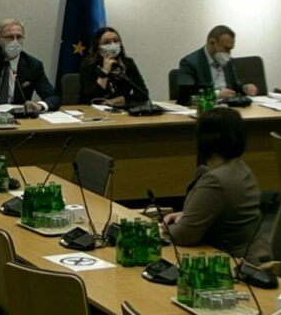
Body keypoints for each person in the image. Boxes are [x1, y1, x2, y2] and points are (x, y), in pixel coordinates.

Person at [162, 107, 262, 258]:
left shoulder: (215, 180)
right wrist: (189, 216)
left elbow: (183, 236)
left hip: (229, 260)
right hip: (248, 252)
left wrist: (164, 228)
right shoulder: (241, 168)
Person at [176, 25, 258, 105]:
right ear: (212, 43)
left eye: (230, 49)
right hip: (207, 110)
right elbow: (185, 98)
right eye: (226, 49)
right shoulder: (189, 63)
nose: (229, 53)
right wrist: (216, 95)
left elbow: (234, 87)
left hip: (229, 108)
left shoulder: (227, 61)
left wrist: (244, 88)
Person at [78, 27, 149, 106]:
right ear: (97, 47)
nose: (113, 45)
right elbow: (90, 98)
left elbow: (143, 94)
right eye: (106, 42)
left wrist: (124, 99)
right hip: (92, 110)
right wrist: (104, 72)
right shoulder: (88, 64)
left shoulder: (127, 63)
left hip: (119, 110)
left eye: (116, 41)